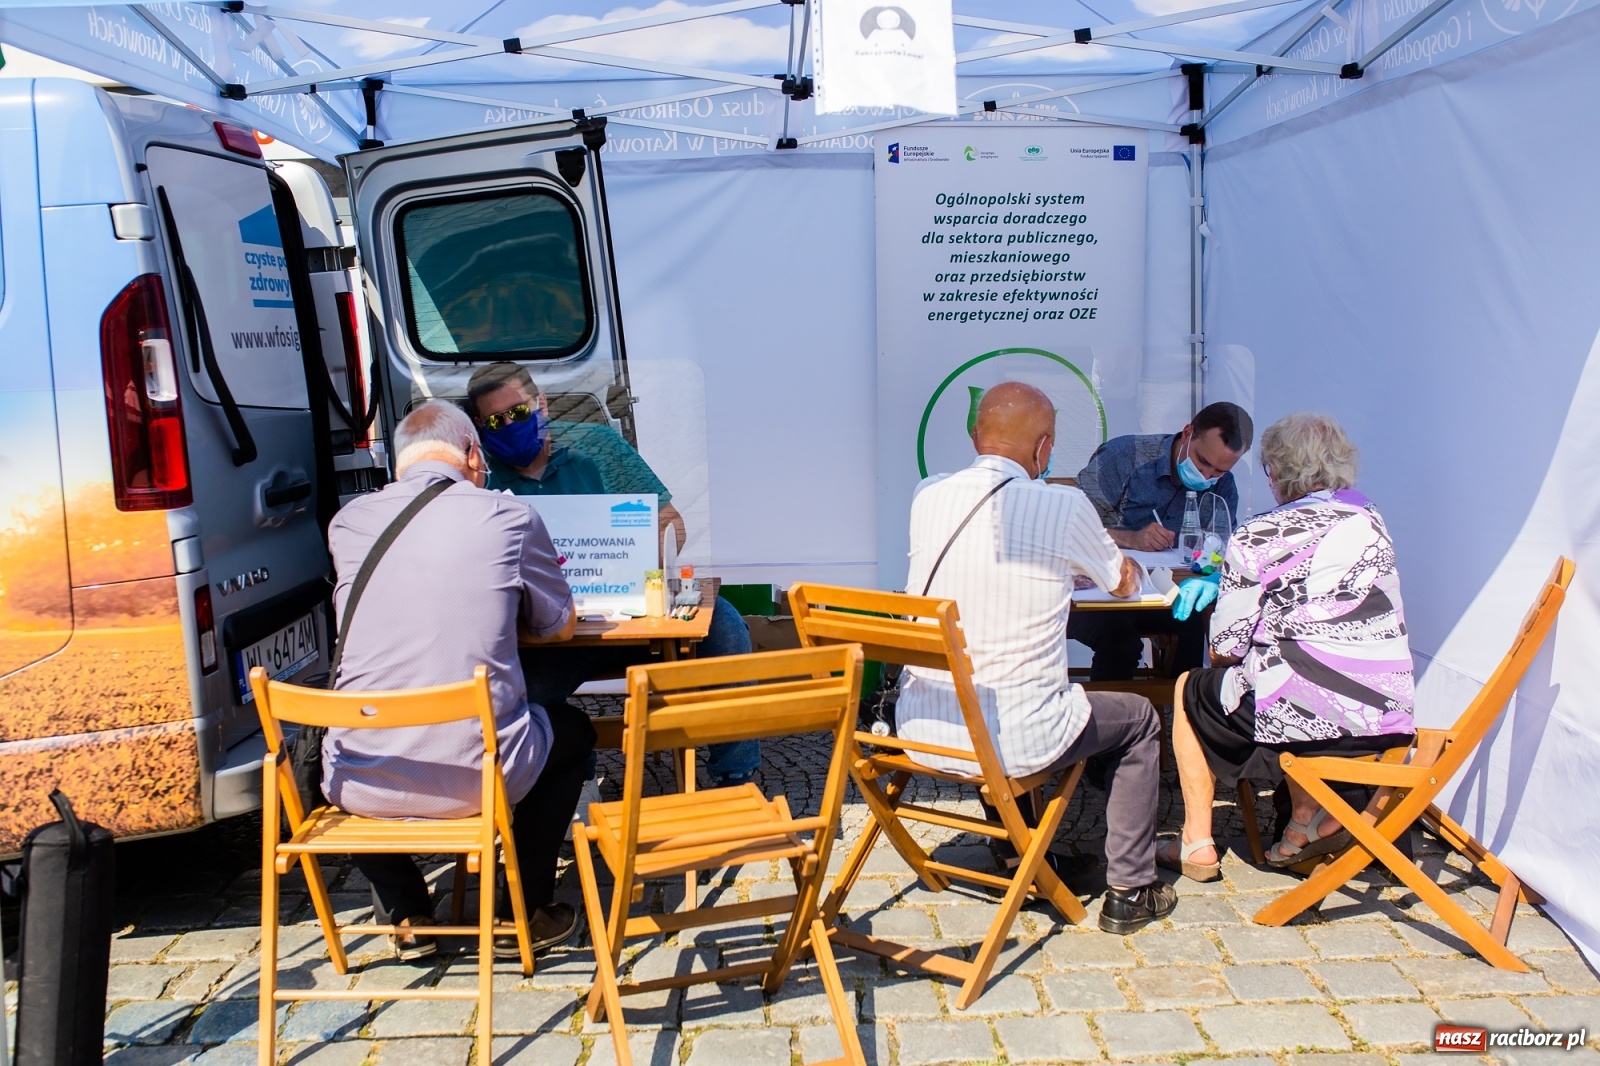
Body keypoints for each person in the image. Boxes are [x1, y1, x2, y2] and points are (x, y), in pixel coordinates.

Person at [895, 382, 1178, 934]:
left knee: (997, 679)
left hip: (925, 723)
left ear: (976, 435)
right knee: (1140, 720)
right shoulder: (1062, 504)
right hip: (1013, 735)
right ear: (1044, 448)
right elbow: (1121, 582)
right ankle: (1131, 887)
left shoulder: (928, 495)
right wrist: (1138, 570)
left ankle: (1018, 857)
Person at [321, 401, 595, 960]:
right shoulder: (506, 516)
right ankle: (528, 909)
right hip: (478, 778)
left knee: (324, 747)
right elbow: (558, 625)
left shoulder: (348, 523)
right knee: (572, 731)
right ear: (473, 453)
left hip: (361, 779)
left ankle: (408, 913)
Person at [464, 362, 759, 787]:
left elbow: (673, 523)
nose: (510, 425)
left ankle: (738, 776)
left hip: (626, 619)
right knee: (525, 696)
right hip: (545, 637)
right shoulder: (482, 477)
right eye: (496, 420)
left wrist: (630, 553)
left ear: (541, 404)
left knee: (725, 626)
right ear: (481, 426)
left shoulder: (596, 445)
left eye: (520, 413)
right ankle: (574, 788)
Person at [1159, 413, 1415, 881]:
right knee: (1297, 672)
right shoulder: (1370, 518)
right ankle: (1304, 821)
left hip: (1308, 717)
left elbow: (1225, 645)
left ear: (1276, 474)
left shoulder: (1259, 533)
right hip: (1383, 713)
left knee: (1189, 687)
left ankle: (1197, 842)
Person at [1067, 402, 1255, 681]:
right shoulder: (1124, 457)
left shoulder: (1223, 486)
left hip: (1163, 593)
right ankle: (1111, 720)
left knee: (1191, 626)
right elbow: (1072, 528)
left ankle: (1176, 718)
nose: (1205, 477)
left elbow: (1224, 548)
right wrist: (1129, 537)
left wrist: (1210, 567)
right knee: (1120, 642)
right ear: (1188, 432)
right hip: (1099, 593)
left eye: (1218, 472)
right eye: (1202, 461)